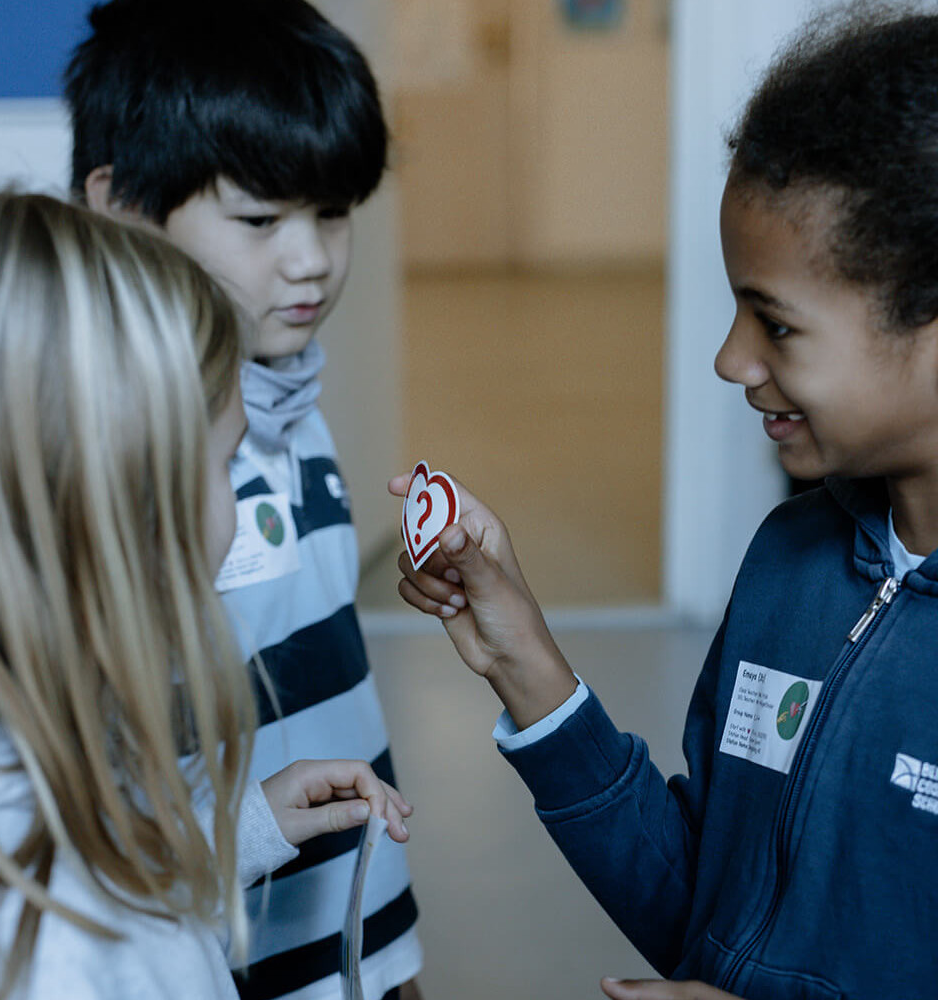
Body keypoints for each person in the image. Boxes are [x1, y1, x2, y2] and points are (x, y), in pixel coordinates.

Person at [391, 7, 938, 1000]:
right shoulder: (788, 560)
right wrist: (528, 664)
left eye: (773, 321)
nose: (731, 359)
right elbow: (704, 915)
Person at [0, 190, 412, 1000]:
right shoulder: (67, 948)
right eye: (226, 465)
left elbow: (122, 869)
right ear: (120, 512)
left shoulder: (14, 770)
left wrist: (240, 834)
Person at [63, 4, 423, 999]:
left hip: (353, 924)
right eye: (260, 220)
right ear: (122, 205)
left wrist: (390, 958)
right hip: (198, 942)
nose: (309, 260)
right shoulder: (108, 458)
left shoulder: (291, 394)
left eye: (334, 213)